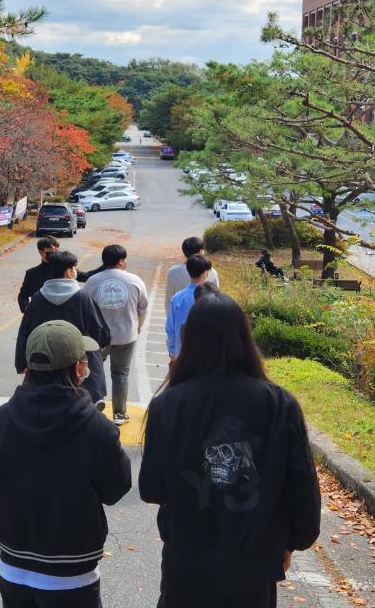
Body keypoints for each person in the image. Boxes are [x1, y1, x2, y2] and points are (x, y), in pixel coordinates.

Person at [139, 293, 321, 608]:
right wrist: (291, 542)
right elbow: (302, 488)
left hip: (187, 565)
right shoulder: (279, 404)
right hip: (254, 568)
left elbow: (152, 488)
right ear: (243, 337)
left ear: (190, 340)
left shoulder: (167, 404)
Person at [0, 320, 132, 608]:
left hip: (13, 568)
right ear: (78, 369)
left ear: (29, 369)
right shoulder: (97, 429)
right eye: (84, 360)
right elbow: (115, 489)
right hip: (73, 575)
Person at [15, 251, 111, 407]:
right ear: (68, 271)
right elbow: (99, 330)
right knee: (83, 402)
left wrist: (22, 362)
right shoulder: (82, 298)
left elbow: (26, 331)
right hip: (79, 361)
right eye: (74, 268)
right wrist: (103, 341)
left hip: (45, 361)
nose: (75, 271)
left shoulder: (37, 298)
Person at [82, 245, 149, 426]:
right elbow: (143, 308)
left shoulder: (92, 282)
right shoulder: (135, 281)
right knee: (120, 373)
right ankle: (119, 413)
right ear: (121, 261)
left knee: (91, 371)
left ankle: (90, 407)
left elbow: (84, 308)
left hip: (97, 338)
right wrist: (138, 326)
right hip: (126, 336)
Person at [165, 254, 212, 362]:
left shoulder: (177, 298)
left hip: (181, 354)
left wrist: (172, 351)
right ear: (205, 273)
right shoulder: (210, 298)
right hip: (204, 356)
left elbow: (170, 328)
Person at [164, 237, 220, 314]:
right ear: (201, 252)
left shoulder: (172, 272)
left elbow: (168, 302)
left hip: (180, 316)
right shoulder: (211, 272)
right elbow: (217, 299)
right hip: (205, 316)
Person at [17, 237, 59, 313]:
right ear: (41, 252)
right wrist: (27, 309)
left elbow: (82, 276)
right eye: (50, 252)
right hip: (40, 315)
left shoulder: (66, 270)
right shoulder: (32, 274)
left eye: (56, 251)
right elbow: (22, 296)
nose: (54, 254)